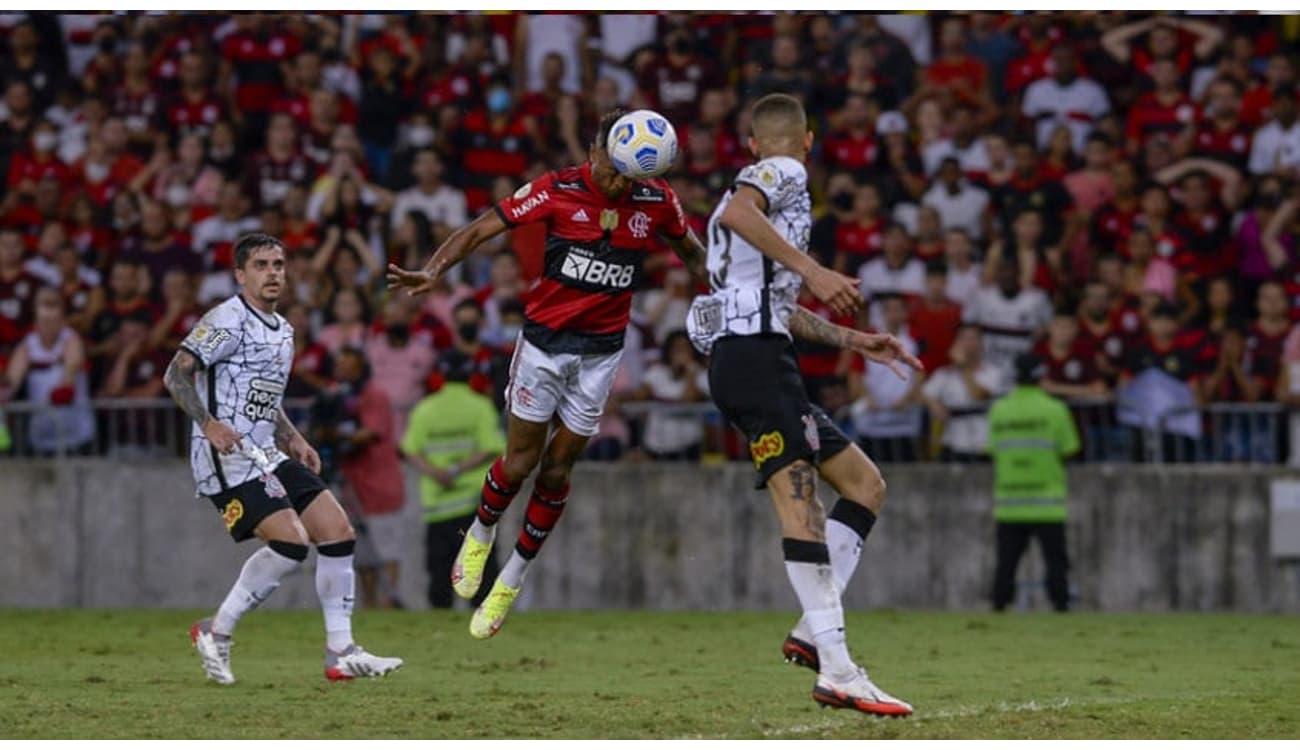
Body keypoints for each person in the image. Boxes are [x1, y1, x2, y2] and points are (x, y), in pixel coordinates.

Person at [387, 110, 713, 640]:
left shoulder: (656, 201)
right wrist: (434, 269)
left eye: (626, 175)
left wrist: (728, 283)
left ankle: (511, 579)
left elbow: (692, 255)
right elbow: (481, 228)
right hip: (543, 345)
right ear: (594, 153)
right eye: (609, 168)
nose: (616, 181)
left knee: (558, 471)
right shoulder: (557, 189)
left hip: (601, 353)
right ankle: (481, 530)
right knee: (520, 462)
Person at [685, 93, 918, 716]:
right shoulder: (783, 175)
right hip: (754, 362)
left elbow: (776, 306)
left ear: (752, 142)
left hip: (759, 355)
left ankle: (813, 632)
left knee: (864, 485)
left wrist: (855, 340)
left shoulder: (766, 214)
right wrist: (816, 270)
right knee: (801, 502)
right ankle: (839, 669)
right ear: (806, 140)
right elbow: (739, 210)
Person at [164, 233, 401, 685]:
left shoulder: (284, 330)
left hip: (267, 451)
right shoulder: (226, 319)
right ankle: (217, 629)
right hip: (226, 457)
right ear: (240, 275)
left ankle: (340, 651)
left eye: (278, 264)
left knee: (337, 531)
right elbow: (175, 373)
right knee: (291, 543)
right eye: (261, 265)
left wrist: (294, 437)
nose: (272, 273)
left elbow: (263, 398)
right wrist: (208, 423)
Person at [401, 348, 506, 609]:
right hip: (473, 503)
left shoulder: (425, 409)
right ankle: (482, 620)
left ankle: (441, 623)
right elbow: (492, 447)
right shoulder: (480, 406)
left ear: (441, 376)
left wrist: (436, 472)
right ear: (471, 375)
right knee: (480, 570)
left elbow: (410, 450)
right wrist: (458, 469)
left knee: (439, 574)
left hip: (436, 505)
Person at [986, 353, 1080, 613]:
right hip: (1047, 502)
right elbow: (1070, 449)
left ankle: (999, 608)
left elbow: (993, 449)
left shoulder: (999, 409)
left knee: (1006, 563)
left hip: (1009, 502)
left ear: (1015, 376)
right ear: (1041, 376)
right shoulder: (1056, 409)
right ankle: (1061, 607)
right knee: (1056, 562)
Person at [333, 347, 408, 610]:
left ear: (360, 367)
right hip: (354, 485)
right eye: (339, 364)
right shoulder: (339, 397)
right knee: (362, 553)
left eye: (347, 365)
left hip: (380, 485)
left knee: (386, 548)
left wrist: (333, 434)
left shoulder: (374, 395)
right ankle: (370, 605)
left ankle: (388, 602)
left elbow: (369, 434)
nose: (341, 370)